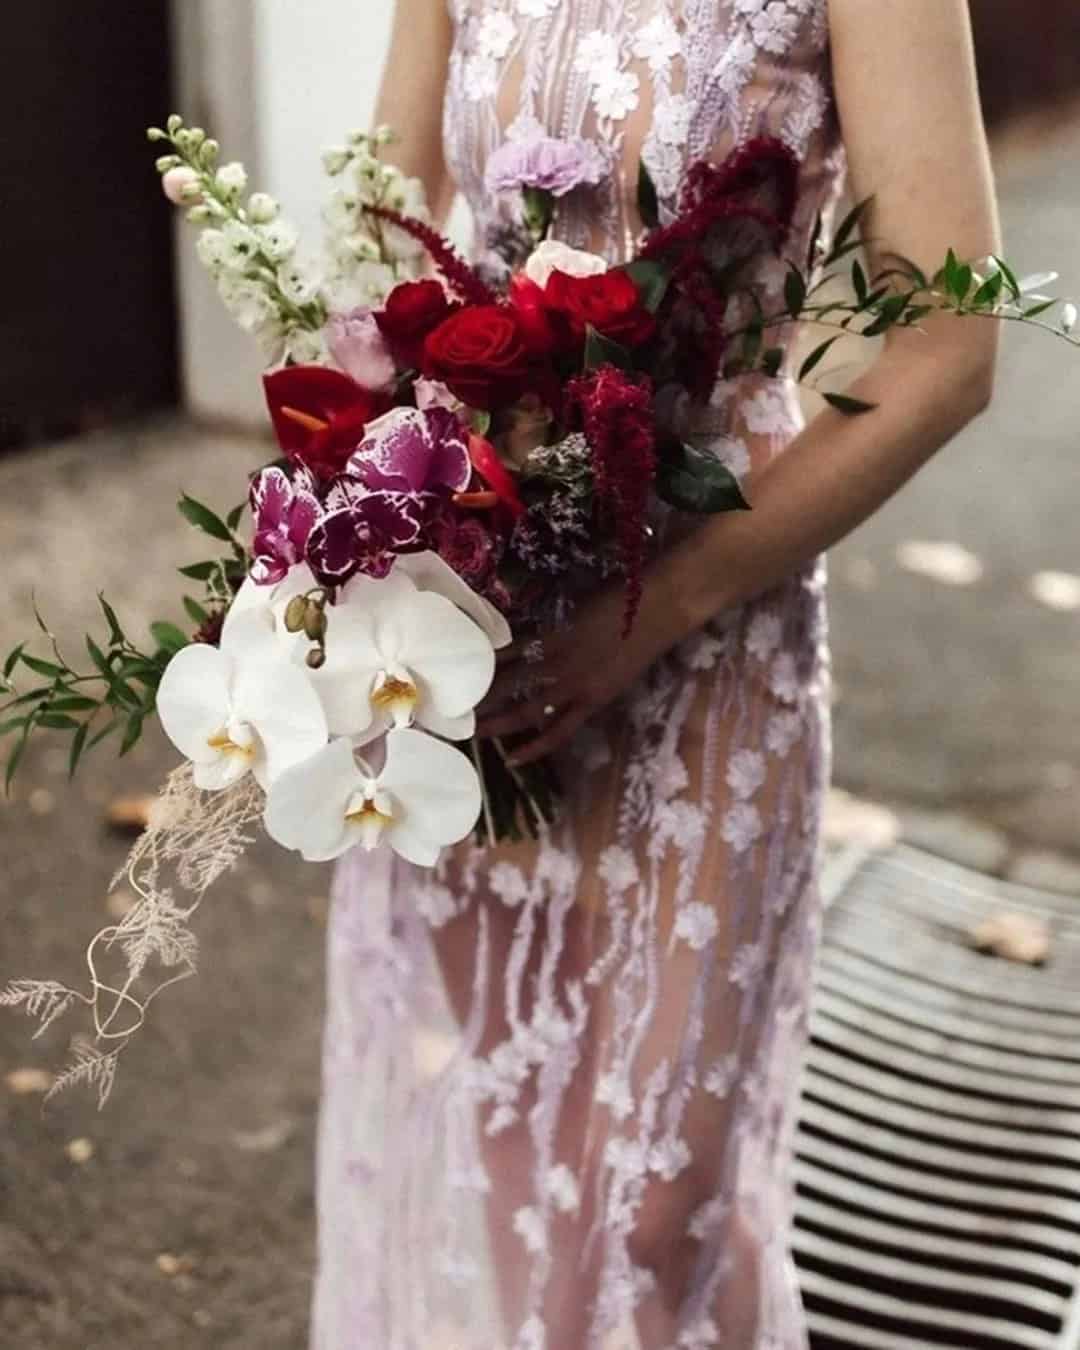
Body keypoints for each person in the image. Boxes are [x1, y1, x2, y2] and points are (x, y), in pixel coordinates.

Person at [313, 3, 999, 1347]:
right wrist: (331, 521)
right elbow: (373, 238)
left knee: (652, 1204)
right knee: (524, 1164)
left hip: (710, 609)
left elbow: (950, 347)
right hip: (478, 610)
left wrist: (658, 608)